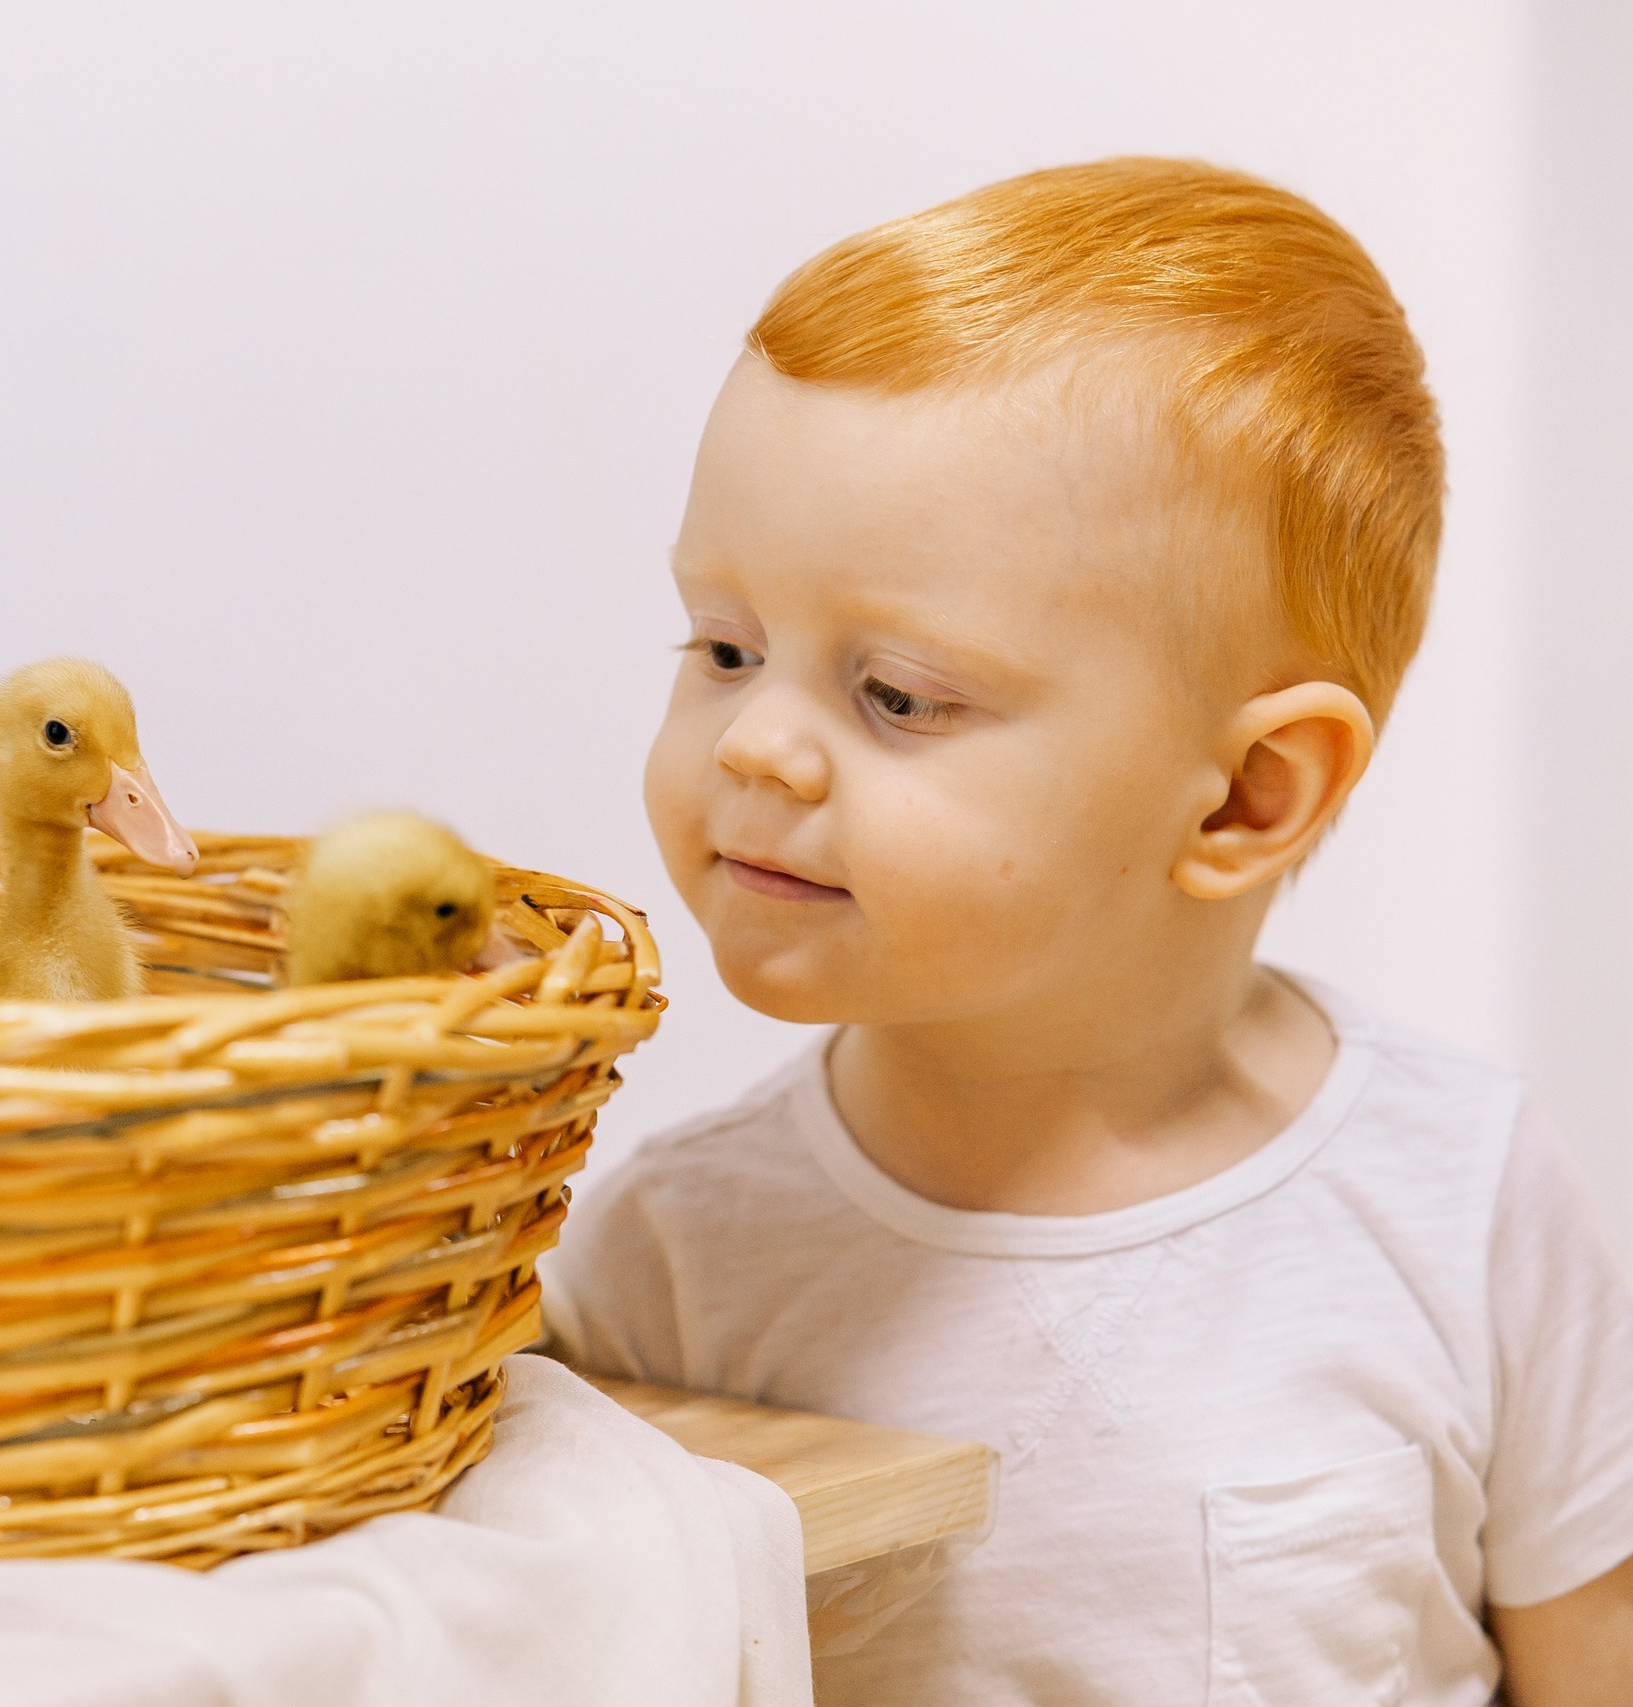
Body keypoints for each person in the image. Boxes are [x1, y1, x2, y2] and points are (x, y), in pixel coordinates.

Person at [541, 157, 1633, 1705]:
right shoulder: (672, 1264)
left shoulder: (1461, 1203)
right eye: (727, 645)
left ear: (1247, 797)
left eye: (897, 695)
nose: (753, 747)